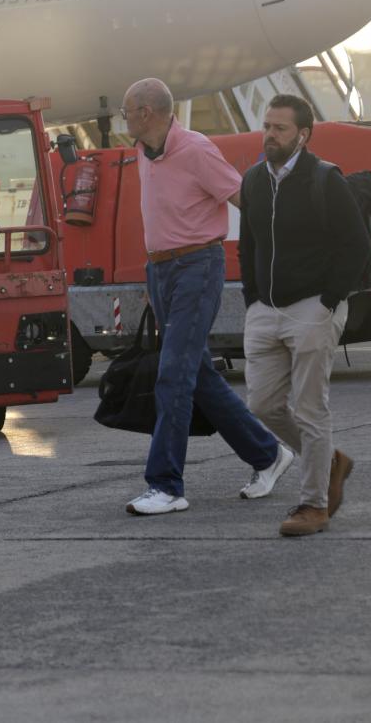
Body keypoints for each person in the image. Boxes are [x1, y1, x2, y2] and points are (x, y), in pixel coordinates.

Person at [119, 78, 290, 516]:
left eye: (127, 112)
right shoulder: (143, 150)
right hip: (161, 270)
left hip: (197, 267)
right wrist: (153, 271)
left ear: (147, 113)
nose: (123, 119)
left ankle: (166, 485)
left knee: (172, 375)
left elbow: (245, 200)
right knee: (199, 379)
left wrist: (276, 257)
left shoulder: (195, 150)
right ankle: (268, 454)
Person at [238, 96, 370, 536]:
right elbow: (248, 245)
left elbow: (356, 244)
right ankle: (330, 461)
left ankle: (313, 505)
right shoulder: (254, 179)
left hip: (312, 307)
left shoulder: (325, 179)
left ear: (303, 135)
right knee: (262, 404)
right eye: (267, 126)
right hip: (265, 311)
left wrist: (329, 299)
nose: (269, 134)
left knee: (312, 410)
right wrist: (252, 298)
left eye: (279, 128)